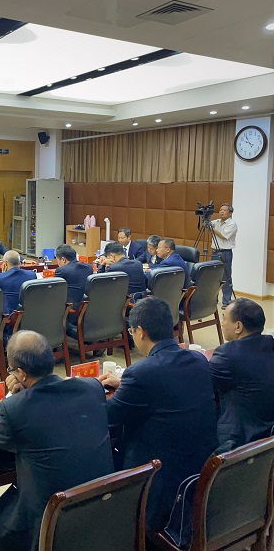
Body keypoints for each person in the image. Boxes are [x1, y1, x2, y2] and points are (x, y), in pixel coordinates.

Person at [0, 331, 114, 551]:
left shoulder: (15, 407)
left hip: (45, 525)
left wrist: (11, 396)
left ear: (20, 374)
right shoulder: (92, 388)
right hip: (100, 514)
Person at [97, 297, 217, 532]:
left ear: (140, 332)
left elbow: (108, 417)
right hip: (199, 469)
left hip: (159, 481)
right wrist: (124, 384)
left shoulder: (140, 373)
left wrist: (90, 391)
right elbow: (168, 386)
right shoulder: (198, 360)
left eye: (131, 331)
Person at [209, 298, 274, 450]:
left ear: (238, 326)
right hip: (268, 433)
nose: (222, 323)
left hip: (239, 441)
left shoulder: (227, 354)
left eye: (224, 318)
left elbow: (201, 384)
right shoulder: (270, 344)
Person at [51, 244, 92, 314]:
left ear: (63, 259)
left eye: (57, 260)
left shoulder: (61, 270)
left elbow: (53, 290)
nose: (58, 264)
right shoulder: (88, 267)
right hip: (86, 307)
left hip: (70, 309)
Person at [0, 251, 37, 315]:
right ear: (19, 263)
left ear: (5, 264)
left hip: (9, 316)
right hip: (28, 314)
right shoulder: (32, 274)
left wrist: (3, 273)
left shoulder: (0, 278)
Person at [210, 203, 237, 307]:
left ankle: (226, 301)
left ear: (230, 213)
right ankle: (213, 299)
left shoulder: (232, 224)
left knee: (226, 276)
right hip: (214, 252)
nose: (221, 212)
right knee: (214, 276)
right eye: (220, 210)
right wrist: (204, 219)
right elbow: (204, 226)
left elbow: (223, 236)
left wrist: (211, 229)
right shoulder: (216, 221)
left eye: (224, 210)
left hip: (225, 252)